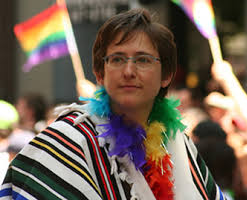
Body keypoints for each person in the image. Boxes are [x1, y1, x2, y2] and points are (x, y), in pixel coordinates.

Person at [0, 8, 227, 199]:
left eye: (143, 60)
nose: (129, 71)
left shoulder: (177, 140)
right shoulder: (67, 140)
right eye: (117, 59)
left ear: (166, 76)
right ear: (100, 74)